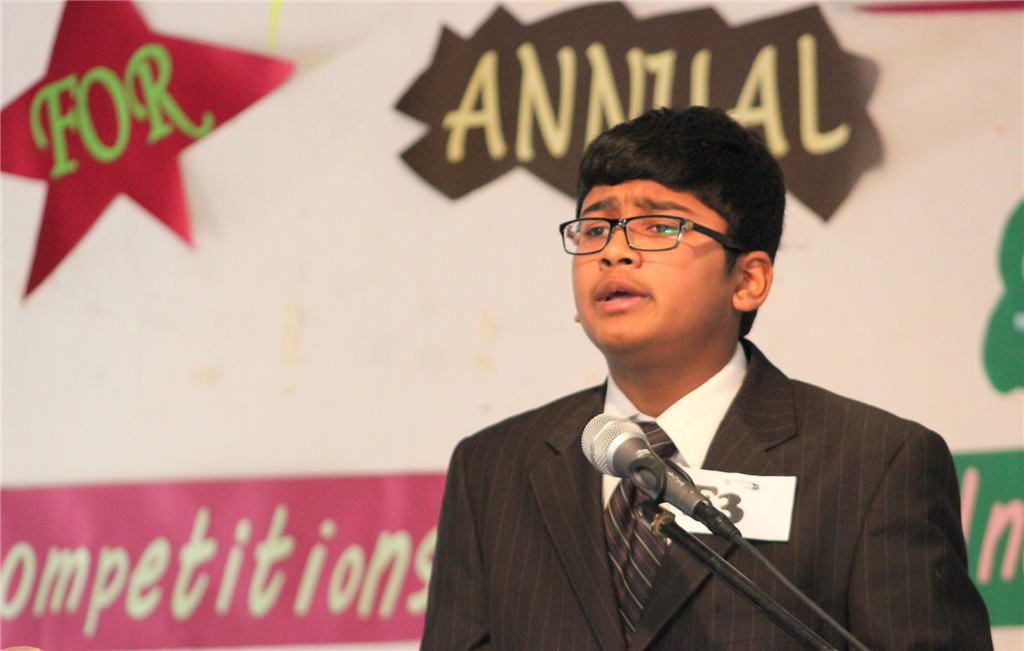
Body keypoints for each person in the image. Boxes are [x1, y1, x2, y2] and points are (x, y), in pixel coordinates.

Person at [420, 107, 992, 650]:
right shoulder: (494, 469)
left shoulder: (874, 466)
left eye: (657, 226)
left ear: (748, 280)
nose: (614, 252)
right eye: (594, 230)